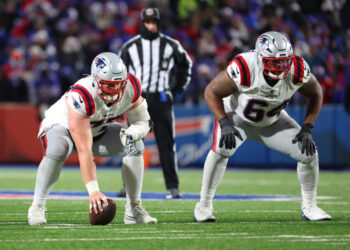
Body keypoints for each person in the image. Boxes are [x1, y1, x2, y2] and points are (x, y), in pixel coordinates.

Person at [193, 31, 332, 222]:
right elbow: (211, 91)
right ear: (260, 58)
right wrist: (224, 122)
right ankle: (203, 206)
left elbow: (316, 93)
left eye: (284, 61)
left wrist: (307, 127)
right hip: (238, 117)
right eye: (274, 62)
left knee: (308, 153)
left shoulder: (298, 69)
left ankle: (310, 207)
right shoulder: (246, 67)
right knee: (221, 149)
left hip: (273, 121)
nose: (281, 66)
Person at [28, 52, 157, 225]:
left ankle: (134, 208)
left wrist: (132, 133)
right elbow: (84, 149)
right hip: (62, 128)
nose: (115, 91)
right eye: (109, 85)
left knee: (135, 145)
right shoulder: (82, 95)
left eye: (119, 85)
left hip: (98, 130)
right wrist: (93, 191)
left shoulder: (131, 87)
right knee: (58, 149)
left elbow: (143, 121)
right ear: (95, 80)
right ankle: (37, 205)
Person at [118, 7, 193, 199]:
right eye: (147, 22)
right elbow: (119, 75)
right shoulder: (130, 47)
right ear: (142, 23)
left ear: (159, 23)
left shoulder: (170, 45)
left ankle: (172, 187)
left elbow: (186, 65)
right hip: (138, 102)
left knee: (166, 145)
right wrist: (124, 100)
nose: (151, 26)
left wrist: (175, 90)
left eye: (154, 22)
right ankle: (127, 186)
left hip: (161, 100)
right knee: (132, 144)